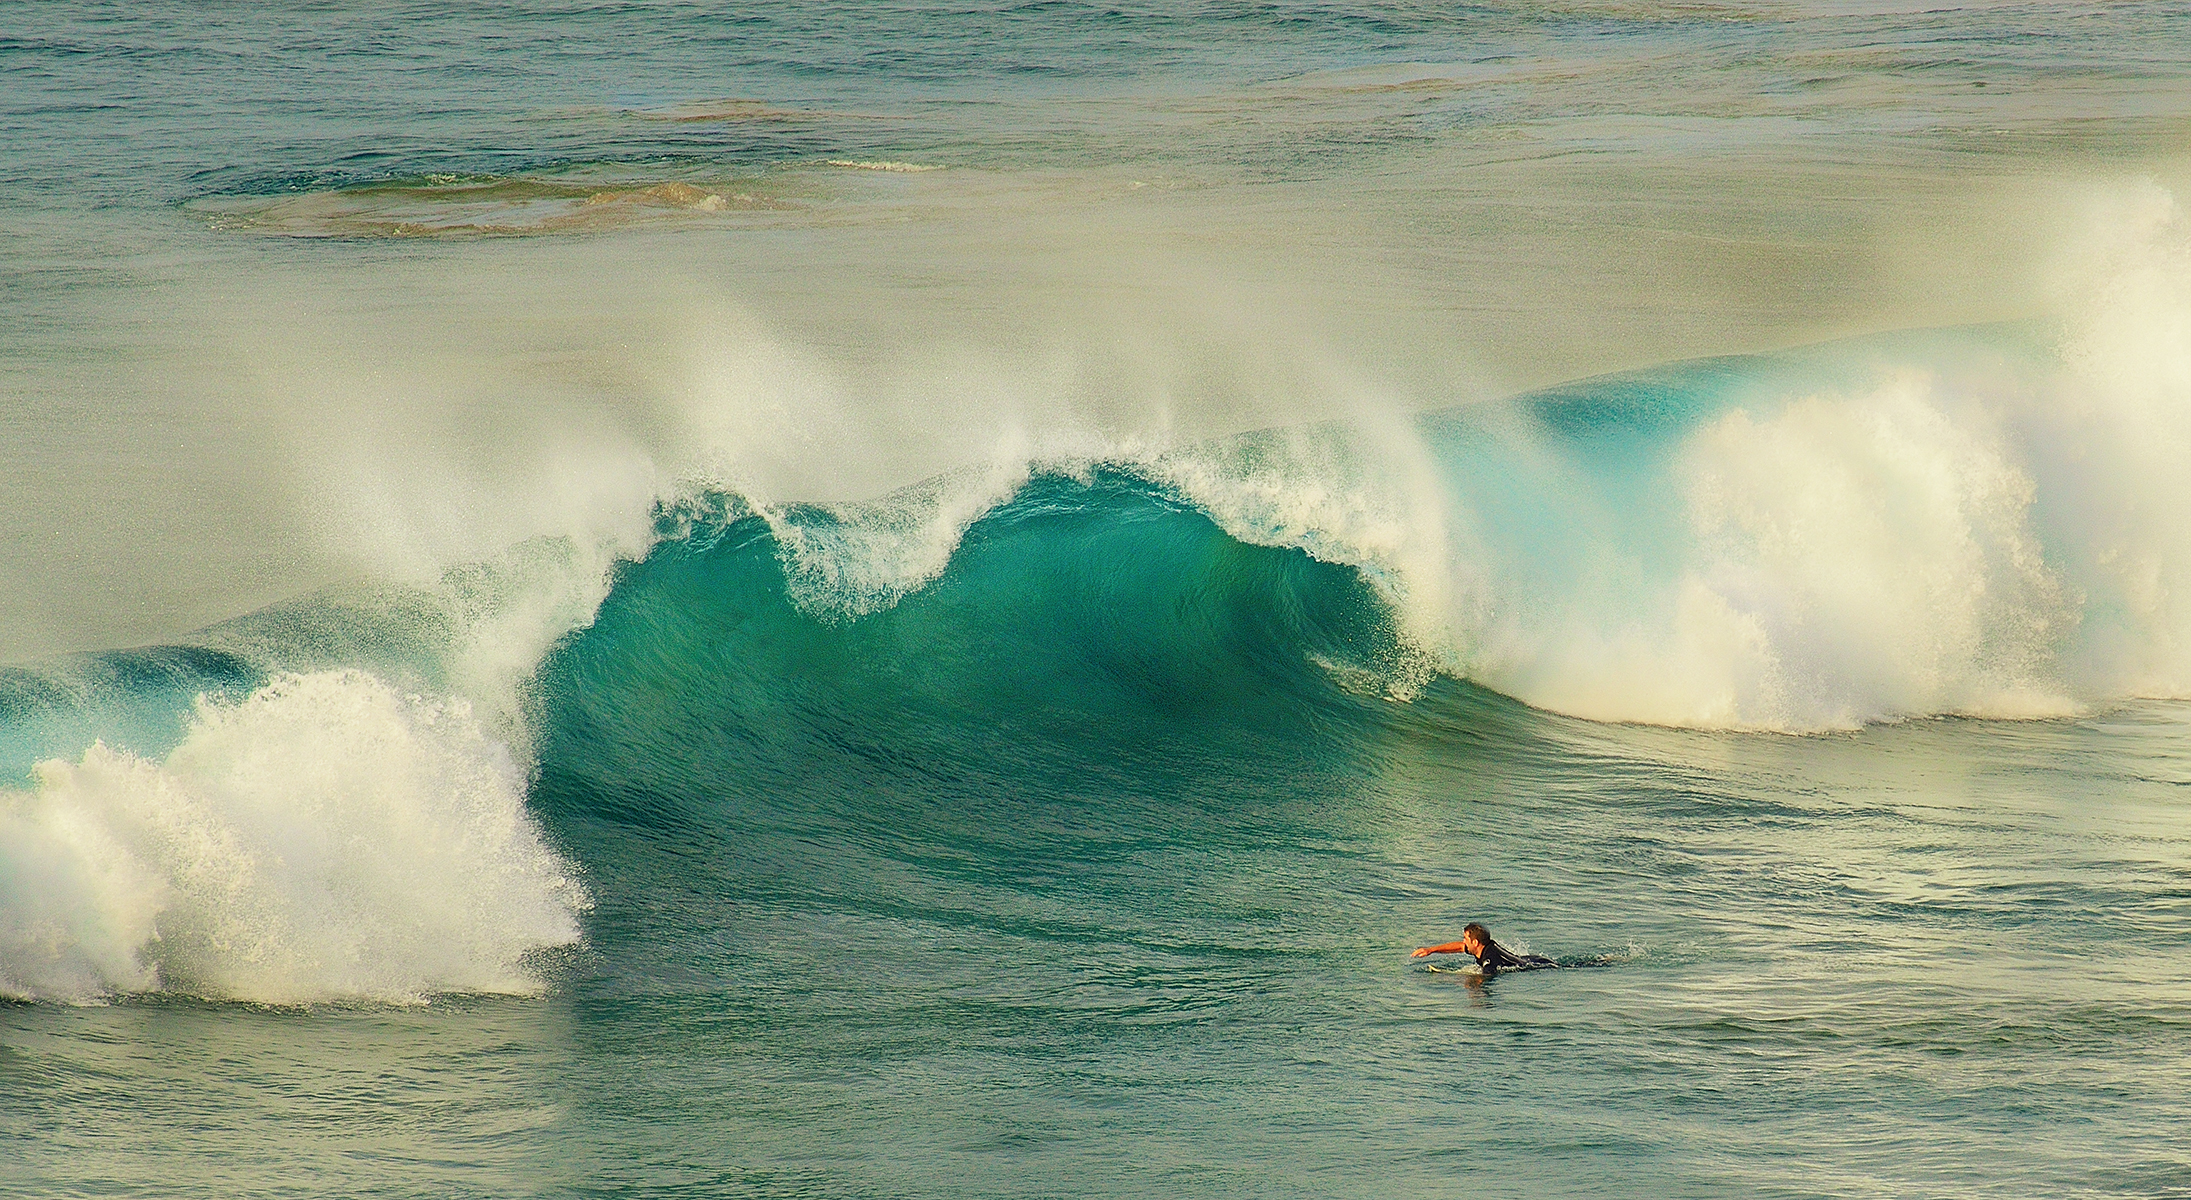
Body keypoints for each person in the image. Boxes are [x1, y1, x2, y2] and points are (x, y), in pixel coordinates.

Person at [1411, 922, 1555, 972]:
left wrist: (1455, 979)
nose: (1463, 942)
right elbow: (1460, 947)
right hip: (1529, 959)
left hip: (1538, 965)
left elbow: (1486, 977)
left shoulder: (1489, 958)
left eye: (1466, 938)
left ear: (1475, 943)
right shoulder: (1481, 946)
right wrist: (1430, 950)